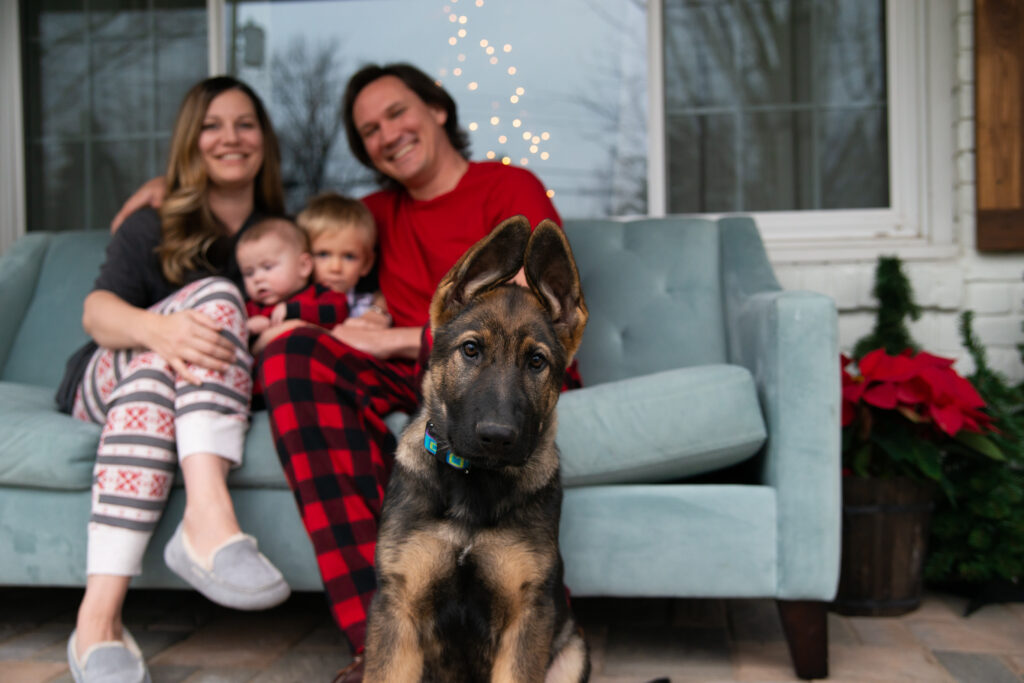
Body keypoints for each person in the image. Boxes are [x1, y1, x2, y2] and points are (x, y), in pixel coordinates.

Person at [110, 63, 570, 679]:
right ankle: (376, 640)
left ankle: (517, 627)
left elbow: (523, 333)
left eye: (398, 113)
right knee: (290, 354)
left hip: (489, 373)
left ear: (437, 109)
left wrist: (400, 340)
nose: (387, 134)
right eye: (369, 130)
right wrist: (168, 189)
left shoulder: (507, 188)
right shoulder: (374, 211)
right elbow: (287, 240)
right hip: (411, 373)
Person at [61, 76, 290, 683]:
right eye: (212, 125)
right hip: (99, 378)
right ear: (192, 140)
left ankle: (97, 623)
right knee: (215, 295)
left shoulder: (285, 235)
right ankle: (209, 523)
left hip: (155, 391)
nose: (230, 138)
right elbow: (97, 314)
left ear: (264, 140)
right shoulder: (155, 220)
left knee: (156, 385)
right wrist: (160, 332)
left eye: (245, 124)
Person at [236, 216, 352, 339]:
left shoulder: (318, 293)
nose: (257, 279)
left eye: (268, 267)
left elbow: (339, 312)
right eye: (249, 273)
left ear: (303, 266)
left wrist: (293, 311)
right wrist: (247, 330)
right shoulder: (250, 309)